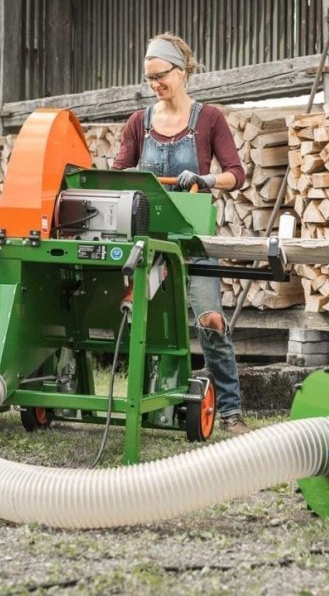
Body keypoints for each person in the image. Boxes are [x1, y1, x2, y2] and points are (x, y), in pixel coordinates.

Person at [112, 33, 250, 435]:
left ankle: (231, 412)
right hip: (150, 241)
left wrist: (206, 179)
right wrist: (129, 176)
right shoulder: (139, 122)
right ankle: (147, 401)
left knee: (210, 321)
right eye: (149, 78)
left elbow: (236, 175)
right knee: (140, 315)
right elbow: (119, 171)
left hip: (192, 239)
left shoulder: (209, 119)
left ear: (182, 71)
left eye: (160, 75)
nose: (155, 84)